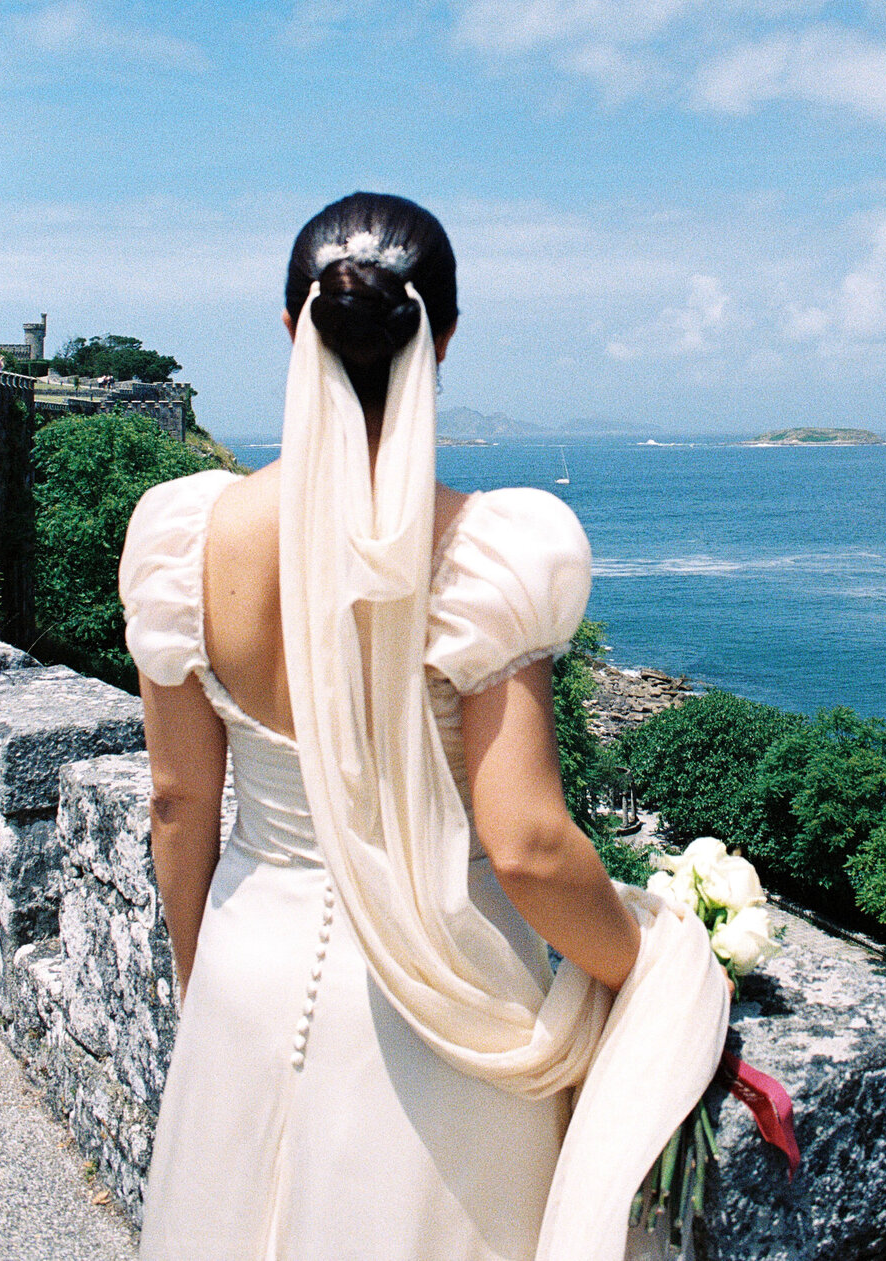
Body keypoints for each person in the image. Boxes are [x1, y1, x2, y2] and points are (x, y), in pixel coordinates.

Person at [119, 192, 728, 1261]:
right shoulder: (490, 549)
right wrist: (655, 967)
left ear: (290, 330)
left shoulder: (184, 536)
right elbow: (529, 845)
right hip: (438, 1007)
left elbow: (178, 801)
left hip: (243, 966)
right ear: (443, 337)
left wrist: (198, 975)